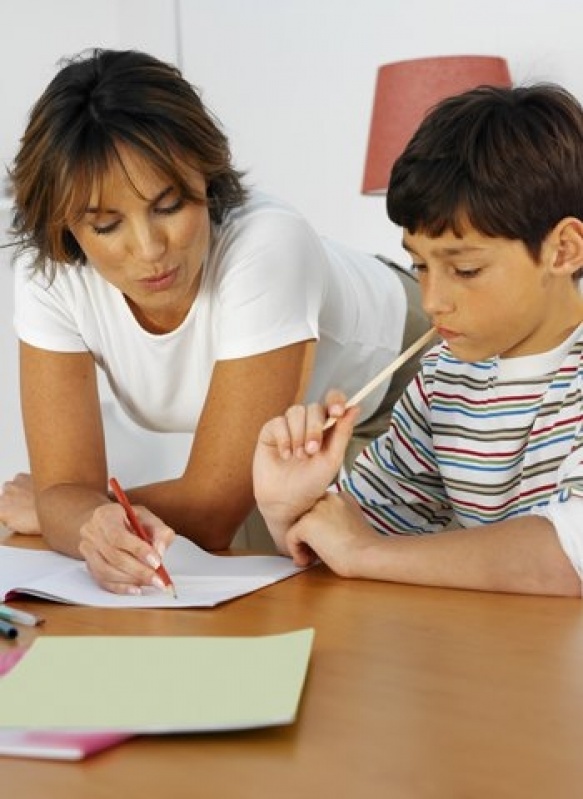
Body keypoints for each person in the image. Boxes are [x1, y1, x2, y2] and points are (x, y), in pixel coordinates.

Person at [0, 48, 428, 594]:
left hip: (403, 374)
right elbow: (63, 488)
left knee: (323, 576)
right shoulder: (50, 279)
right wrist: (86, 520)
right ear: (67, 227)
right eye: (107, 225)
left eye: (169, 205)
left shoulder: (267, 246)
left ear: (205, 175)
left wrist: (73, 514)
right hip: (294, 439)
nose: (151, 249)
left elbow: (212, 506)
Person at [253, 83, 583, 597]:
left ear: (563, 250)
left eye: (466, 269)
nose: (431, 301)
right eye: (420, 266)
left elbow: (568, 558)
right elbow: (352, 538)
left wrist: (366, 552)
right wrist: (288, 508)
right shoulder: (443, 378)